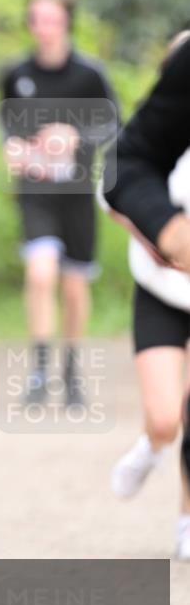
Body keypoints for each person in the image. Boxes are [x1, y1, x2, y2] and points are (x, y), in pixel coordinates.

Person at [0, 0, 118, 406]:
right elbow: (6, 123)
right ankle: (39, 369)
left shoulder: (90, 74)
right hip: (36, 190)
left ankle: (71, 370)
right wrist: (11, 147)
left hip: (77, 191)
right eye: (37, 19)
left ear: (67, 21)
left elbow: (112, 124)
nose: (44, 28)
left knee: (72, 284)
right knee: (40, 272)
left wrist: (74, 136)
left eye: (52, 19)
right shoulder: (17, 73)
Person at [102, 33, 190, 560]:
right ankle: (152, 446)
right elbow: (121, 178)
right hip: (162, 286)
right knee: (165, 416)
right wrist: (169, 235)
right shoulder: (168, 135)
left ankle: (186, 519)